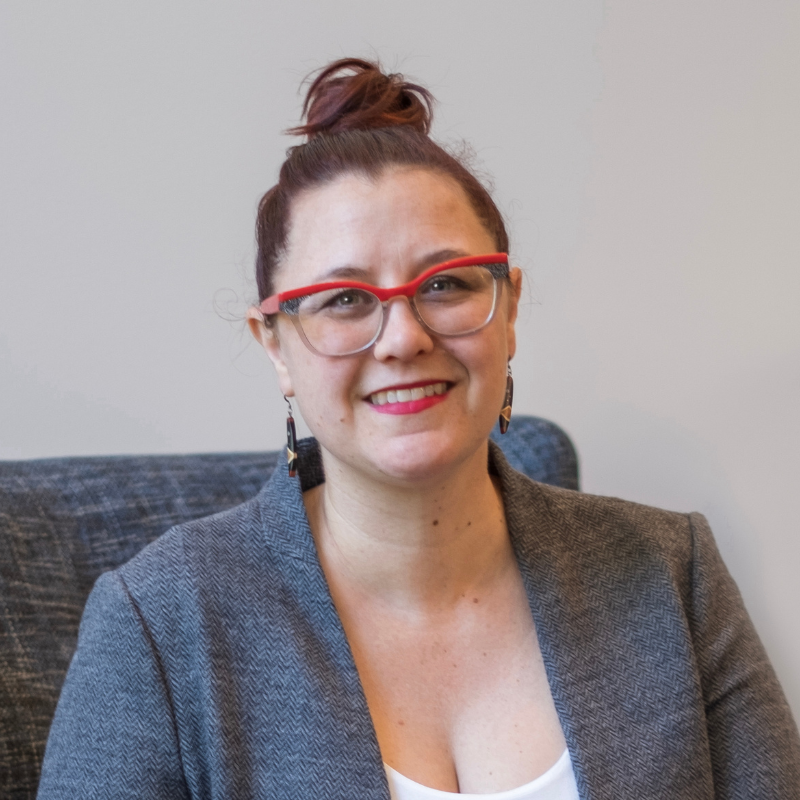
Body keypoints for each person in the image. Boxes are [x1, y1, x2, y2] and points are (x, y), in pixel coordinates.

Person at [37, 58, 799, 800]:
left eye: (444, 285)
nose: (403, 337)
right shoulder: (158, 622)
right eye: (344, 299)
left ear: (509, 310)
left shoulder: (674, 573)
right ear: (276, 345)